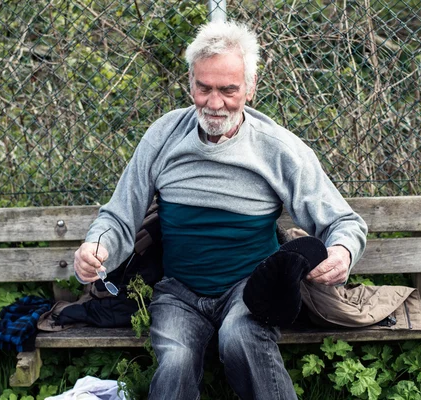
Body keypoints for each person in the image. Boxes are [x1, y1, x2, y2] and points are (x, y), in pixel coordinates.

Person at [74, 20, 367, 400]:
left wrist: (342, 251)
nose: (214, 104)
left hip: (249, 291)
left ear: (251, 85)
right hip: (177, 292)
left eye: (228, 90)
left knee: (241, 338)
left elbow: (344, 222)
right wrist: (96, 246)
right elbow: (119, 215)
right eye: (204, 88)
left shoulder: (278, 149)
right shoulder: (164, 136)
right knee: (176, 359)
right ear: (190, 82)